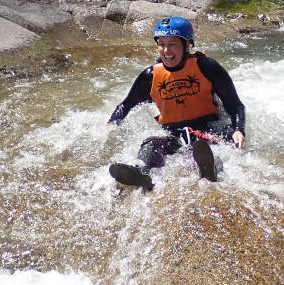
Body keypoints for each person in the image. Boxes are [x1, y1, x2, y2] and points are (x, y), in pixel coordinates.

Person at [105, 16, 246, 190]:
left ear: (187, 46)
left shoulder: (207, 67)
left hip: (210, 127)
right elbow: (126, 104)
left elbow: (235, 104)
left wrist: (239, 129)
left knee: (213, 141)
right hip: (174, 132)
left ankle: (212, 167)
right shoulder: (150, 77)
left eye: (172, 44)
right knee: (153, 143)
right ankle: (142, 172)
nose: (166, 50)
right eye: (161, 44)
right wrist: (112, 123)